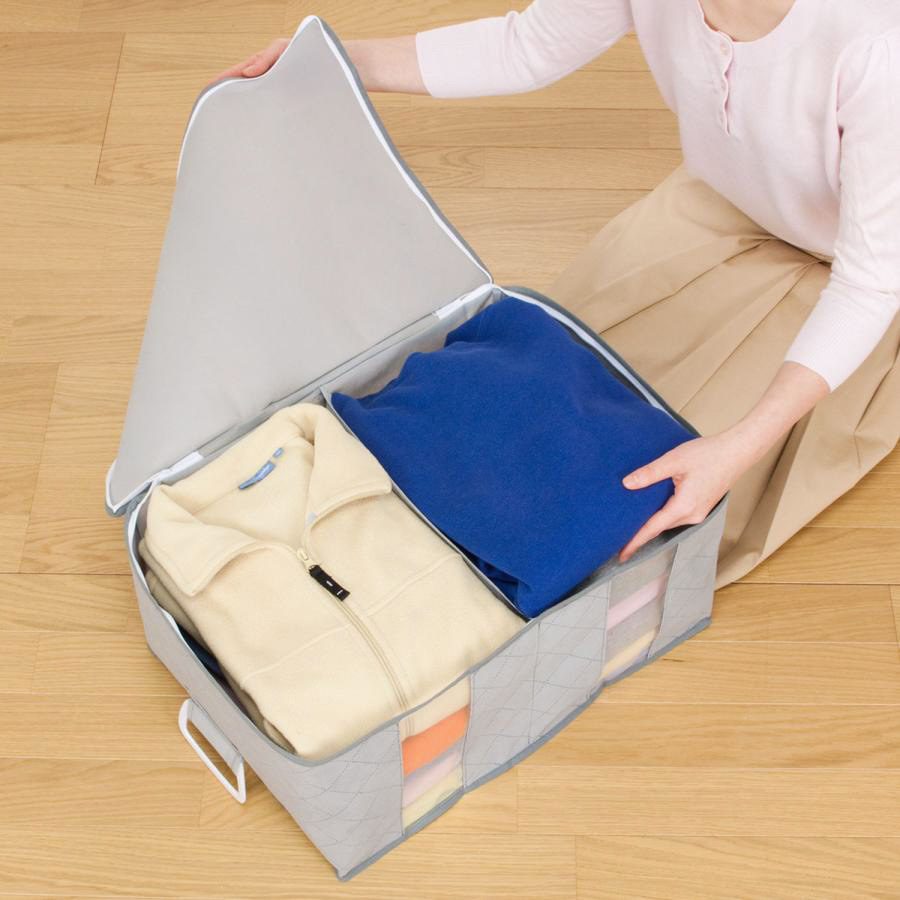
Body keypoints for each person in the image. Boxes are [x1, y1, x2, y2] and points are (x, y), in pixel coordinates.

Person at [213, 0, 900, 588]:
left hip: (876, 273)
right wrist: (334, 61)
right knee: (516, 391)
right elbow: (527, 46)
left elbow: (869, 283)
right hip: (730, 205)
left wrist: (737, 447)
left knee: (641, 503)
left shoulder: (874, 46)